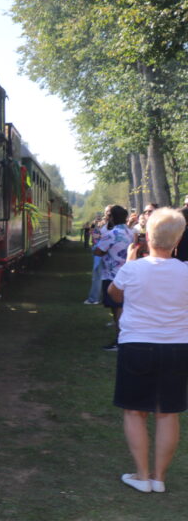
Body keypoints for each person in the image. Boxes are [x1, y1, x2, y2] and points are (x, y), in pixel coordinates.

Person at [107, 207, 188, 492]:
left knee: (134, 412)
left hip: (137, 344)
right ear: (177, 240)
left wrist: (128, 262)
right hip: (178, 347)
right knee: (168, 413)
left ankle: (142, 476)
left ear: (147, 238)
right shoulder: (186, 271)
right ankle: (159, 478)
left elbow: (114, 296)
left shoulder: (132, 268)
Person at [97, 205, 134, 352]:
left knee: (117, 309)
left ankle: (120, 340)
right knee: (126, 307)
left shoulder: (111, 234)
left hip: (113, 275)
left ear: (111, 217)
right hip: (130, 274)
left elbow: (99, 252)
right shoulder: (132, 233)